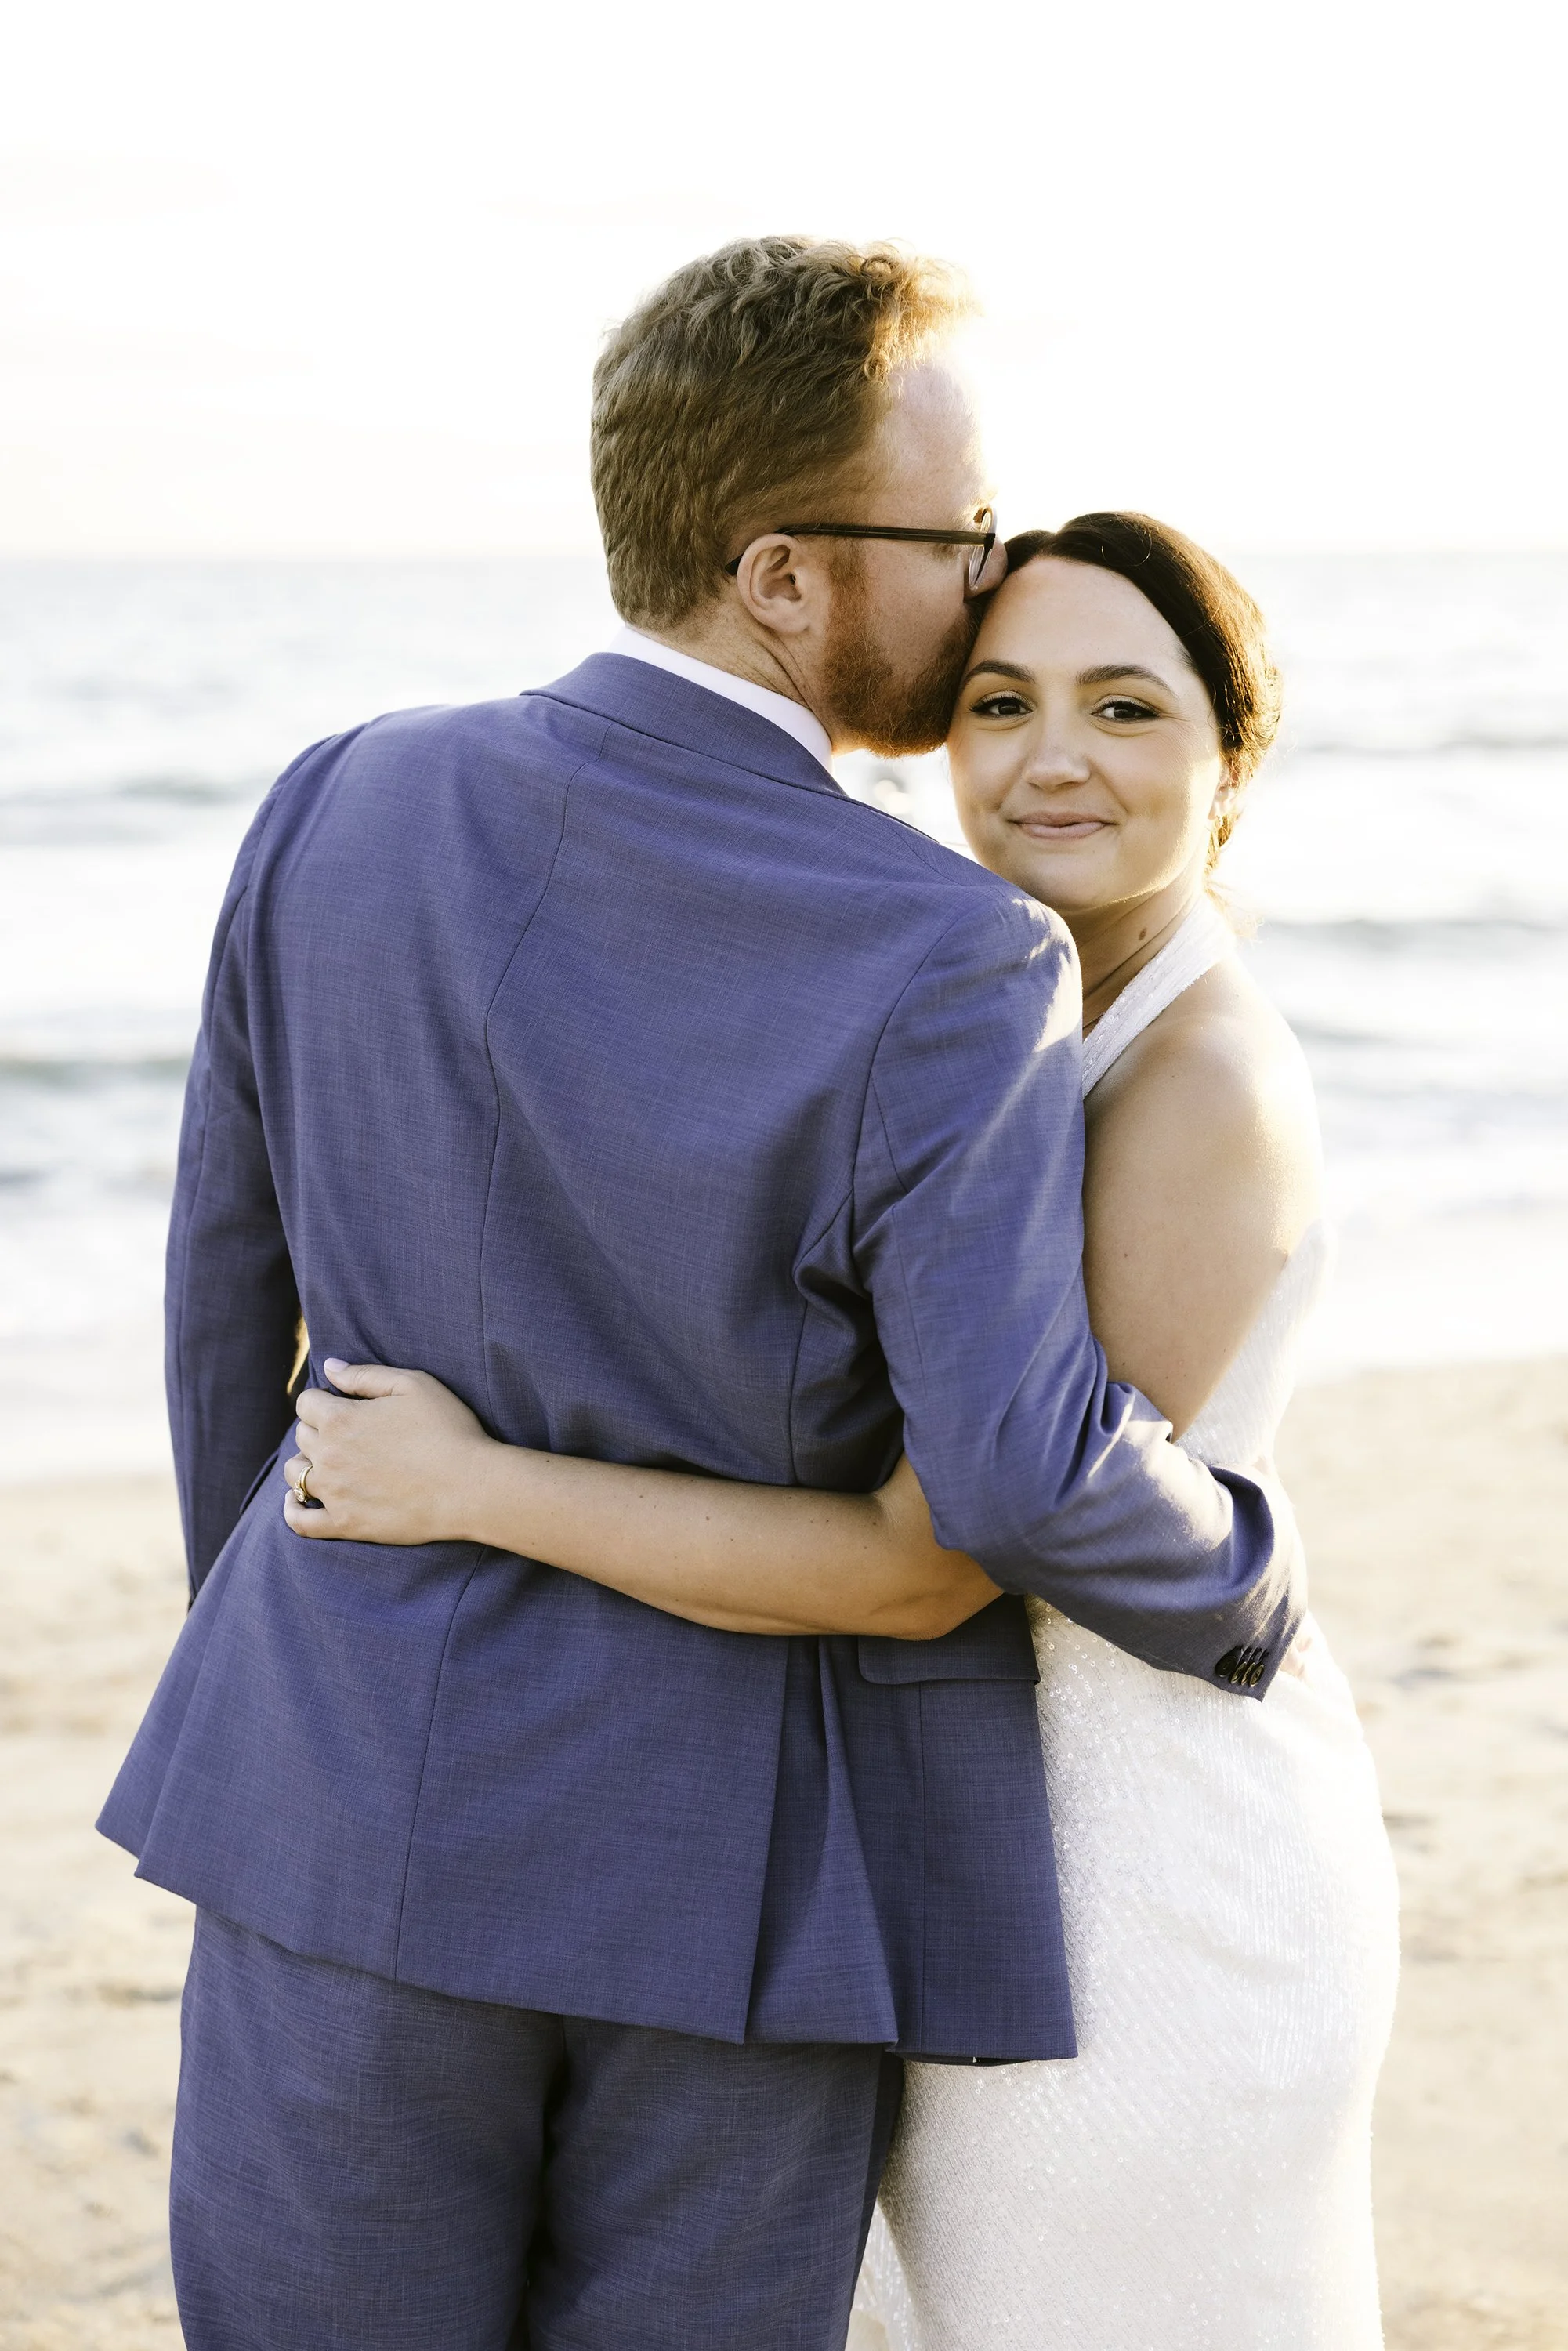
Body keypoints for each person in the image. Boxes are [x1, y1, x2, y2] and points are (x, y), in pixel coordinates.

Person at [100, 237, 1302, 2351]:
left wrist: (306, 1672)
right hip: (745, 1889)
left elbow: (222, 1300)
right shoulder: (956, 957)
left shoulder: (334, 799)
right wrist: (1243, 1586)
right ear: (779, 578)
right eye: (956, 537)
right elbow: (1017, 1480)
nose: (983, 576)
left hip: (342, 1810)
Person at [286, 514, 1400, 2348]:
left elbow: (927, 1556)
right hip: (957, 1836)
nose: (1053, 758)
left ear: (1229, 765)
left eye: (1125, 708)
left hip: (1145, 1884)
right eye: (999, 700)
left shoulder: (1196, 1080)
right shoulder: (1004, 1002)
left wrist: (474, 1483)